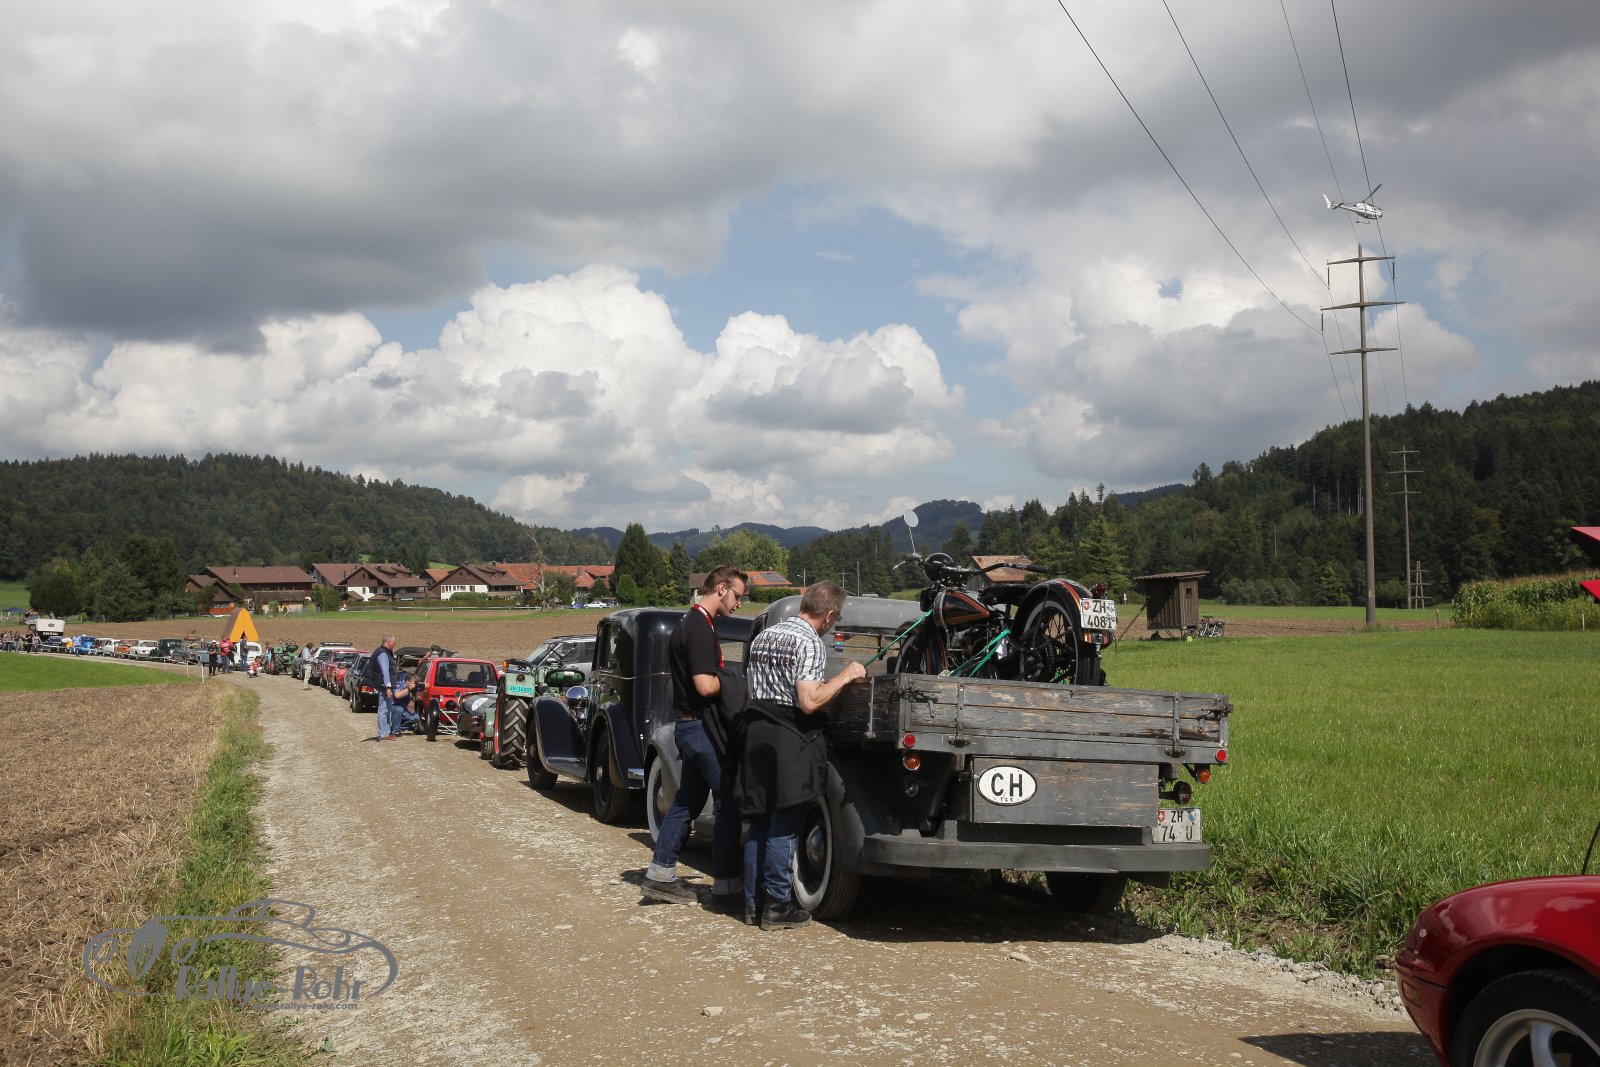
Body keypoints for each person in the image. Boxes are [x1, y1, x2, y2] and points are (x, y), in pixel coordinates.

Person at [736, 581, 865, 931]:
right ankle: (778, 905)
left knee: (759, 819)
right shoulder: (809, 642)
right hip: (787, 737)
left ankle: (752, 903)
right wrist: (846, 675)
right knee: (784, 820)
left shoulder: (765, 636)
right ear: (829, 615)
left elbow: (752, 690)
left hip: (756, 732)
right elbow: (809, 701)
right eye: (835, 620)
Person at [639, 565, 749, 910]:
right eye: (738, 596)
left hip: (688, 727)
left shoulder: (689, 623)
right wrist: (738, 683)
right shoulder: (700, 628)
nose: (739, 604)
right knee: (728, 801)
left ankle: (660, 874)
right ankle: (728, 886)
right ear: (721, 588)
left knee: (687, 800)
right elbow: (704, 685)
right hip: (702, 730)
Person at [371, 634, 406, 742]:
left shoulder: (385, 652)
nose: (395, 644)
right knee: (383, 710)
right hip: (384, 686)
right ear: (389, 642)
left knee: (387, 709)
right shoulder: (382, 654)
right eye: (394, 642)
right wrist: (388, 688)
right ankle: (383, 734)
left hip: (384, 686)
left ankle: (386, 732)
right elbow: (385, 671)